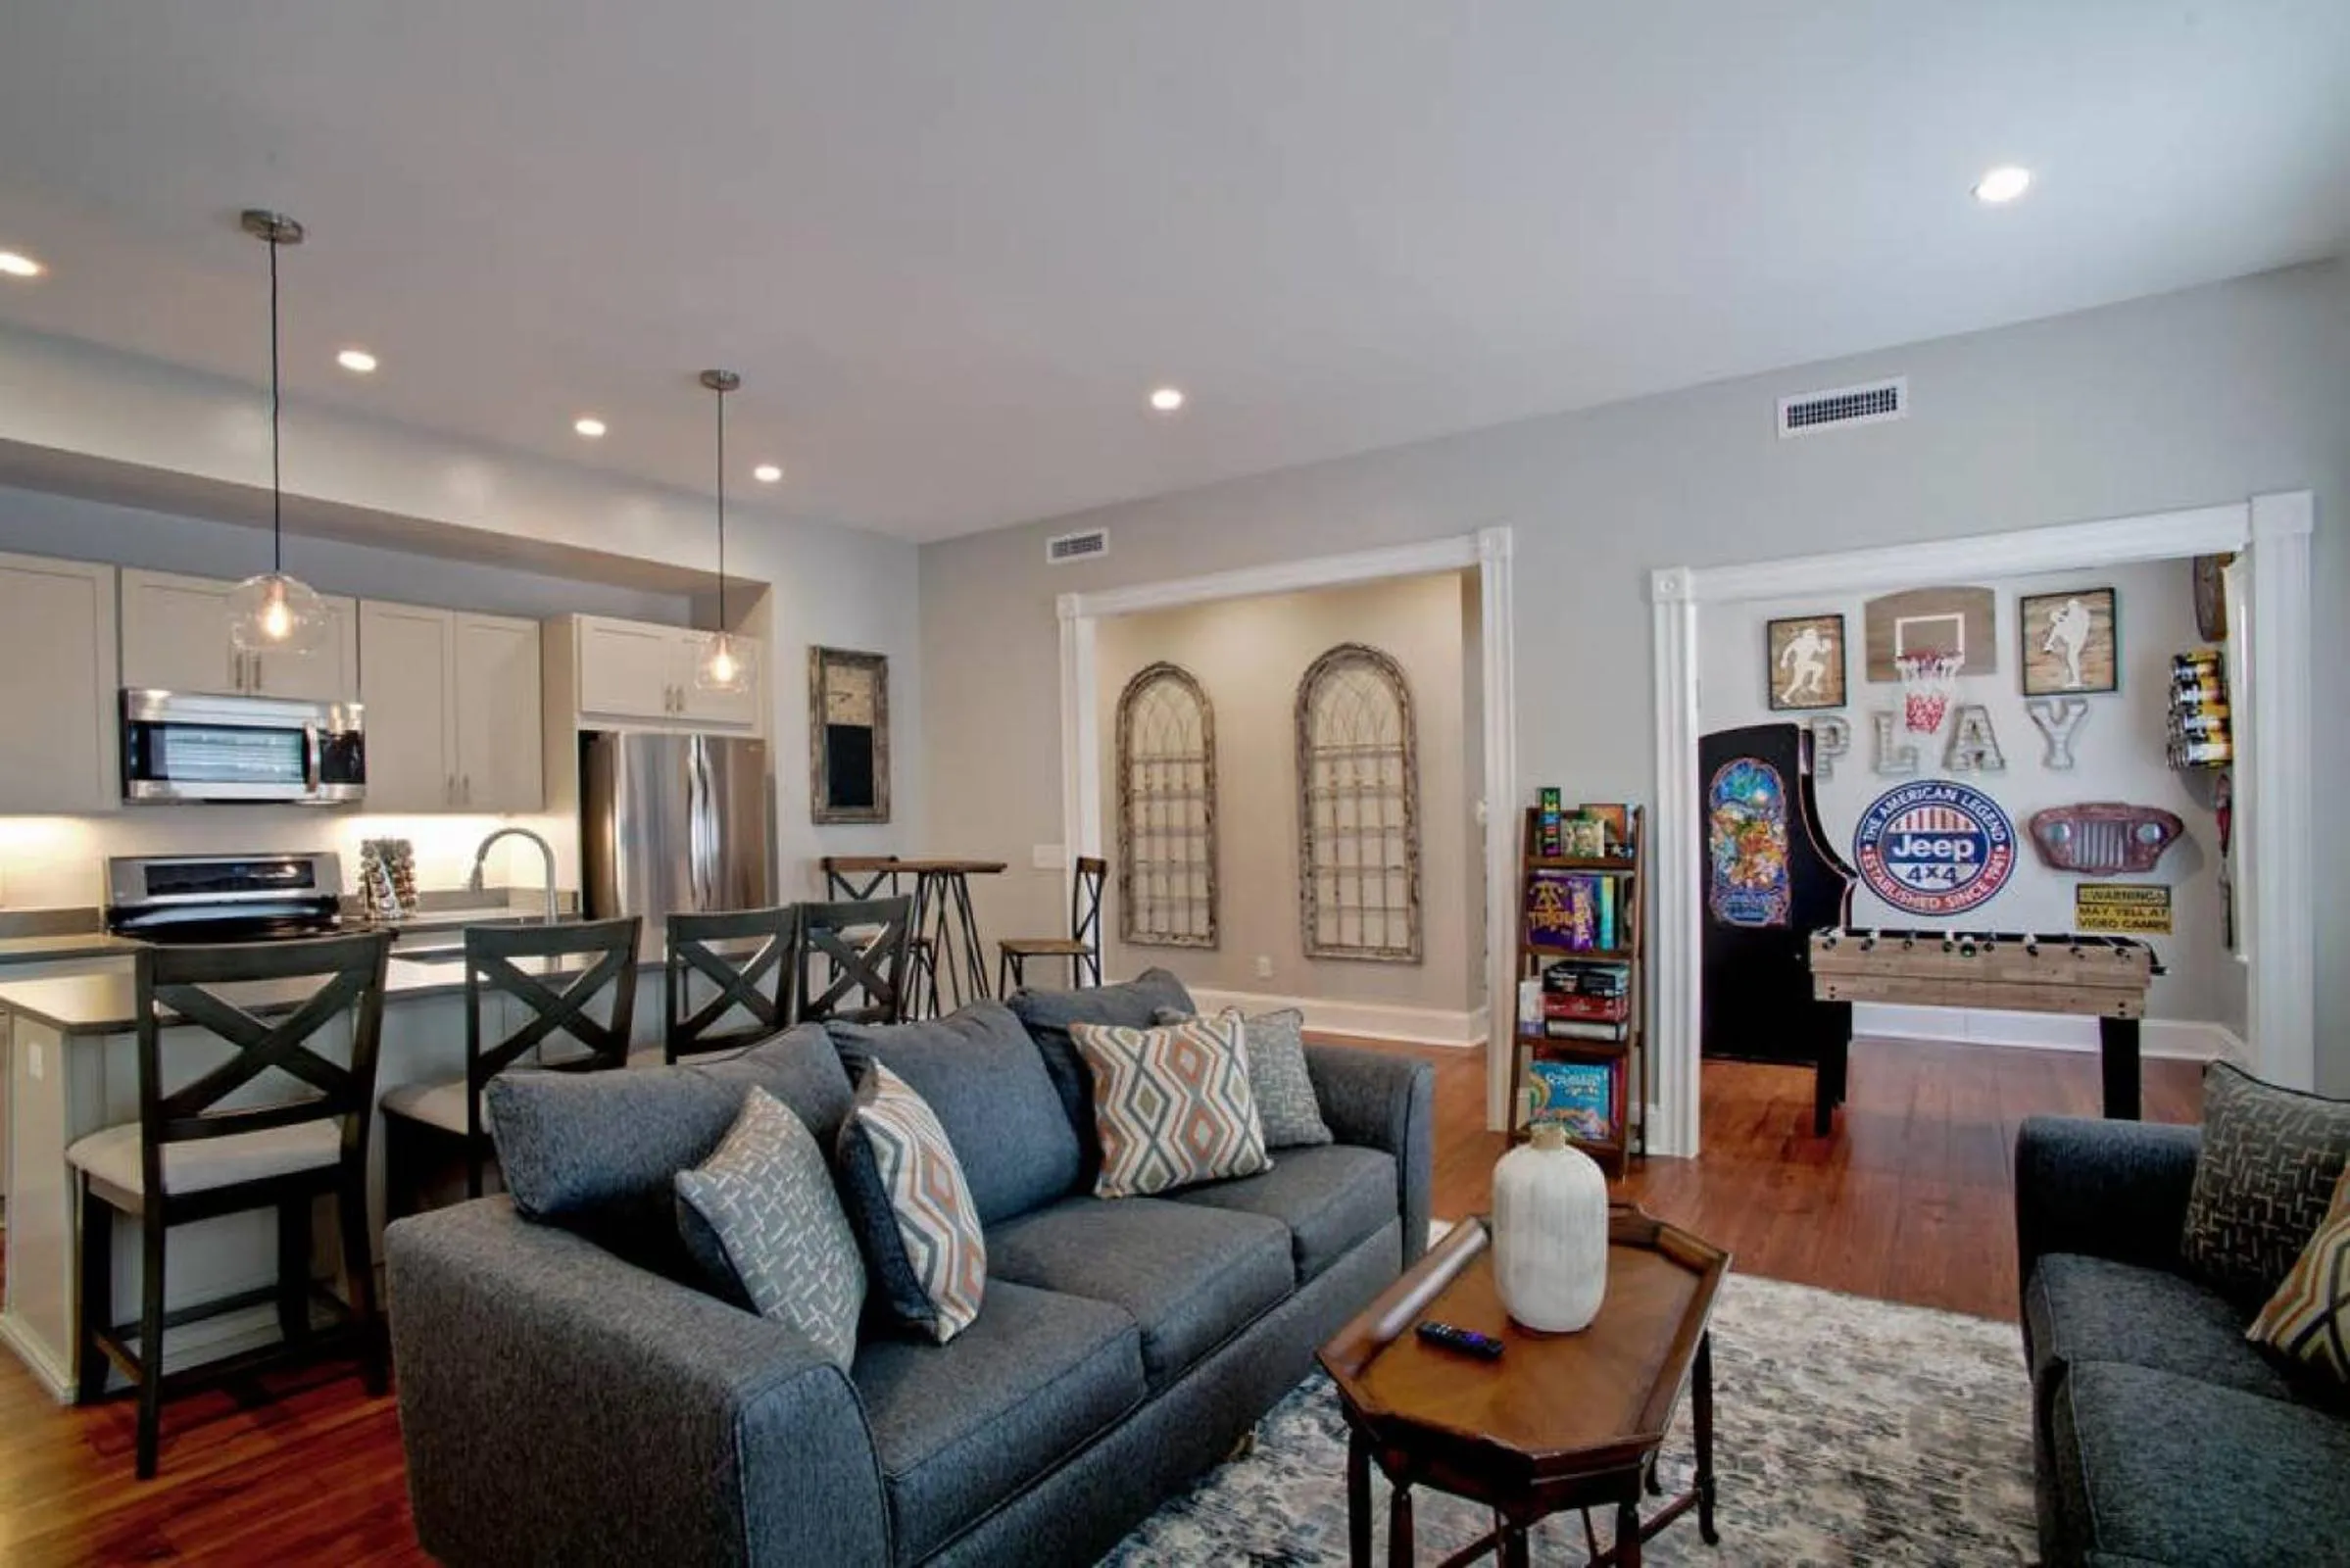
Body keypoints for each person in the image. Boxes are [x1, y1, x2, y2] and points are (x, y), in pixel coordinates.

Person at [1777, 623, 1835, 704]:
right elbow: (1788, 649)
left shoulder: (1814, 643)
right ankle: (1785, 695)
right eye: (1810, 634)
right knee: (1797, 683)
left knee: (1819, 667)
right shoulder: (1799, 641)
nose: (1813, 635)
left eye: (1813, 634)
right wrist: (1784, 660)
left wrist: (1827, 646)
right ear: (1805, 634)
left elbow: (1822, 651)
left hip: (1806, 663)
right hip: (1799, 664)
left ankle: (1812, 684)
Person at [2043, 598, 2093, 688]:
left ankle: (2076, 681)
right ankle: (2075, 680)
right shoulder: (2061, 624)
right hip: (2073, 640)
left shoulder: (2075, 616)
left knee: (2072, 657)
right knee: (2071, 658)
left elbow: (2080, 625)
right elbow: (2053, 635)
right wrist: (2048, 645)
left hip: (2076, 639)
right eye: (2055, 619)